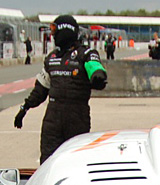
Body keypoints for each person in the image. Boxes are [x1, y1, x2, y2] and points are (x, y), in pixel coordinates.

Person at [13, 15, 108, 164]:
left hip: (76, 116)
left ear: (65, 30)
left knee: (76, 161)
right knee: (47, 162)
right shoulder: (51, 58)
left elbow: (96, 68)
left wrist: (98, 76)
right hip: (53, 118)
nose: (52, 34)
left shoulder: (86, 54)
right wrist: (25, 107)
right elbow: (41, 89)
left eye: (54, 30)